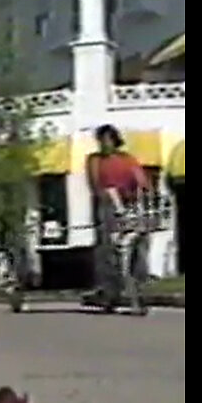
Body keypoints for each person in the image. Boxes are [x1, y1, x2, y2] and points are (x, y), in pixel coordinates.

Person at [85, 124, 151, 309]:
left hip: (131, 206)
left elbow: (141, 181)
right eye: (101, 140)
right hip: (109, 207)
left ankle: (139, 286)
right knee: (108, 251)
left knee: (139, 244)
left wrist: (142, 193)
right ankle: (109, 291)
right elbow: (95, 186)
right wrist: (111, 200)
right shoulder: (95, 160)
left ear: (115, 140)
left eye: (107, 140)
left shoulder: (127, 159)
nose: (104, 144)